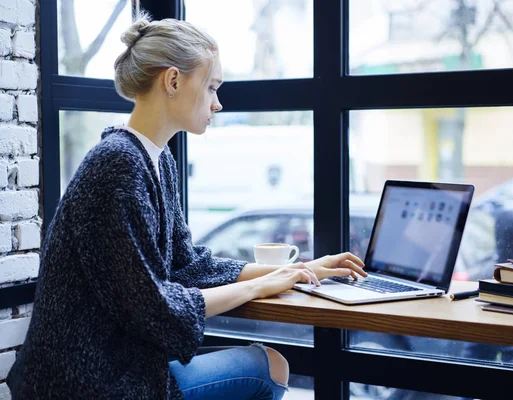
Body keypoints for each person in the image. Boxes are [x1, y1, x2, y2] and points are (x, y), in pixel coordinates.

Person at [6, 12, 367, 400]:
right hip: (90, 385)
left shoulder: (156, 160)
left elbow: (187, 264)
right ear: (173, 80)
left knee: (270, 363)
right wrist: (261, 285)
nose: (218, 103)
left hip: (123, 367)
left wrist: (295, 269)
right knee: (271, 367)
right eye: (211, 87)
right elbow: (157, 308)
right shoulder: (117, 165)